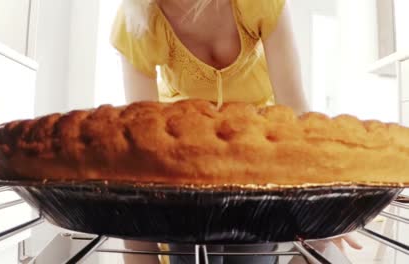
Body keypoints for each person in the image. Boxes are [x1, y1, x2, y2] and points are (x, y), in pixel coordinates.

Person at [110, 0, 361, 263]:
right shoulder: (135, 18)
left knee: (263, 248)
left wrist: (327, 201)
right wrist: (136, 227)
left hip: (256, 160)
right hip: (186, 166)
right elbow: (144, 136)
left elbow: (295, 112)